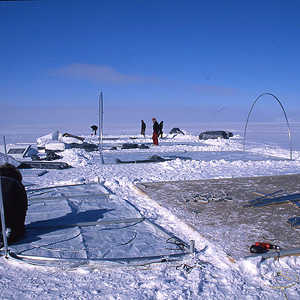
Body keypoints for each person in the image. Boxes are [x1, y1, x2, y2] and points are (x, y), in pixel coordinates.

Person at [0, 163, 28, 246]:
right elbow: (22, 207)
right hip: (10, 218)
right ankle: (8, 235)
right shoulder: (17, 184)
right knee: (17, 230)